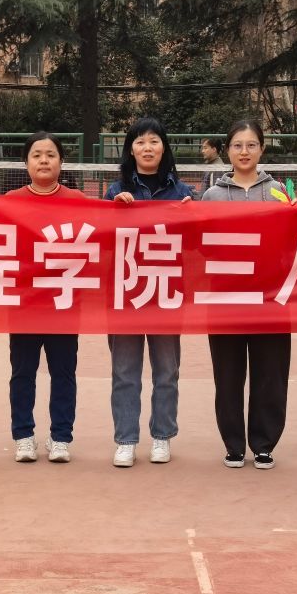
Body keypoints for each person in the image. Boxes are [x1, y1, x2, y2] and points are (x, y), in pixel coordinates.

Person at [199, 119, 292, 468]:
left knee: (271, 375)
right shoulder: (212, 196)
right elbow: (202, 244)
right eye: (237, 145)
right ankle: (234, 444)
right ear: (227, 150)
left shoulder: (279, 192)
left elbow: (291, 240)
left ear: (262, 149)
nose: (244, 152)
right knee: (228, 375)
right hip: (226, 301)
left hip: (270, 300)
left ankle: (264, 444)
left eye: (251, 145)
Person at [103, 116, 193, 467]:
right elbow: (101, 241)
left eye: (154, 141)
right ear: (130, 150)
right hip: (126, 293)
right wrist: (114, 212)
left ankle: (162, 436)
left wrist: (192, 217)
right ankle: (126, 440)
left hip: (166, 292)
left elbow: (196, 246)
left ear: (164, 147)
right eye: (140, 142)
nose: (147, 148)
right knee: (124, 372)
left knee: (166, 371)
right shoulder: (115, 191)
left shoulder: (183, 194)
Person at [7, 132, 86, 462]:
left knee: (63, 373)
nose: (43, 160)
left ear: (61, 162)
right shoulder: (9, 200)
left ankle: (60, 437)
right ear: (26, 163)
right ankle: (24, 436)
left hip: (64, 302)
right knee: (22, 373)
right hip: (24, 304)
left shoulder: (78, 200)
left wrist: (125, 207)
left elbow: (105, 234)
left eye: (50, 154)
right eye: (36, 154)